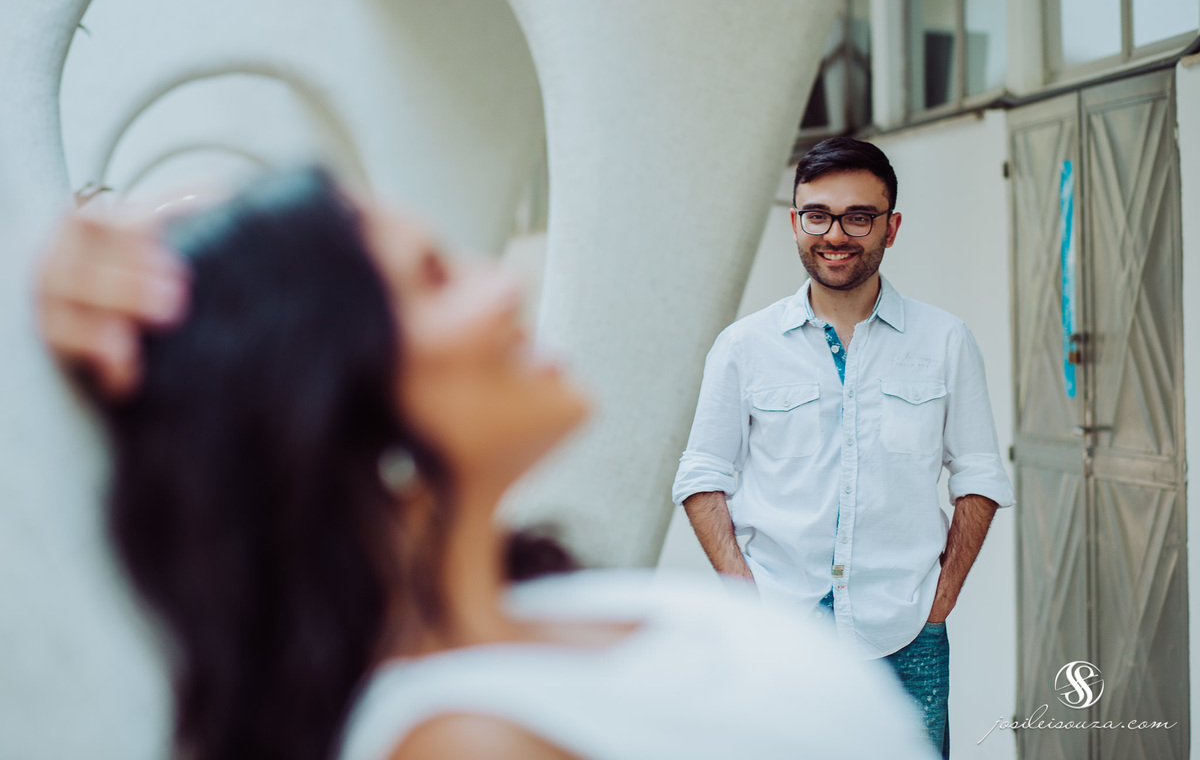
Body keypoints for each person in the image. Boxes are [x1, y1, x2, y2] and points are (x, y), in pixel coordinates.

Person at [36, 167, 938, 760]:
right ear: (332, 404)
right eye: (433, 279)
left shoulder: (539, 607)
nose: (503, 286)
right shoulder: (466, 737)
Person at [673, 137, 1014, 758]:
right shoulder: (744, 347)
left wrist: (941, 600)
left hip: (906, 631)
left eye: (859, 216)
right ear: (796, 221)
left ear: (892, 227)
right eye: (818, 215)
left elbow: (980, 475)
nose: (836, 233)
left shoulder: (945, 341)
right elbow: (701, 474)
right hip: (780, 631)